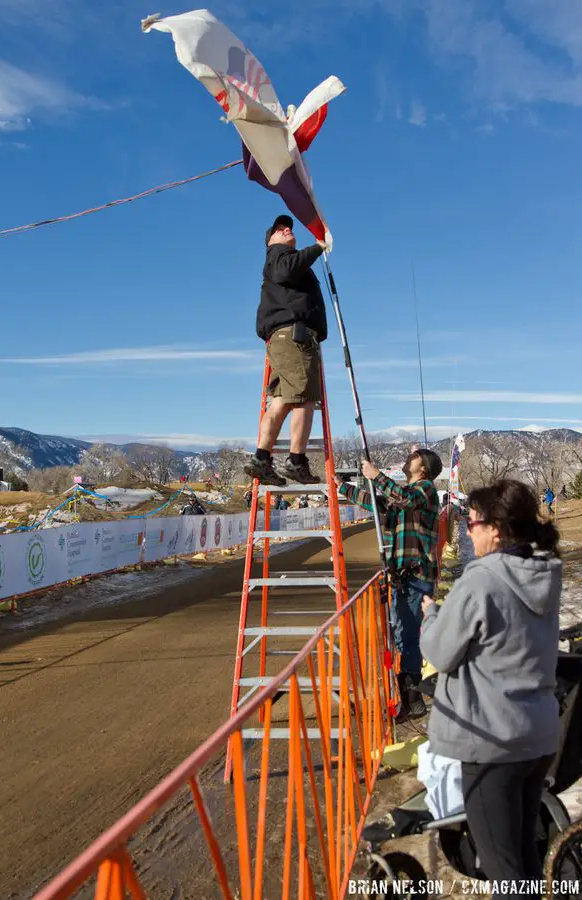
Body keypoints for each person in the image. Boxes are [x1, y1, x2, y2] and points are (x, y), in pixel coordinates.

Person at [420, 480, 561, 885]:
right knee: (523, 859)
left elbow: (440, 652)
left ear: (495, 529)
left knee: (504, 873)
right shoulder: (541, 574)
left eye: (471, 521)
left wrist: (432, 615)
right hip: (538, 736)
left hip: (491, 744)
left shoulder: (480, 580)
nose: (467, 529)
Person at [335, 447, 442, 719]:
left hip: (416, 575)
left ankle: (412, 702)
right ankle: (407, 700)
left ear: (424, 468)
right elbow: (379, 503)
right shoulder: (405, 497)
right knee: (400, 634)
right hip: (402, 576)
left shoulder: (426, 489)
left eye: (414, 456)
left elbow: (404, 498)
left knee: (407, 636)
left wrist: (377, 475)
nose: (409, 458)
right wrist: (342, 487)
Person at [244, 215, 327, 487]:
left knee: (281, 399)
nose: (287, 229)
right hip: (294, 336)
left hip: (282, 337)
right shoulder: (279, 256)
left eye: (288, 226)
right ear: (270, 241)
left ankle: (261, 458)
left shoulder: (281, 261)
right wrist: (318, 247)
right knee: (305, 398)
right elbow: (286, 270)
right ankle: (296, 460)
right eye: (280, 229)